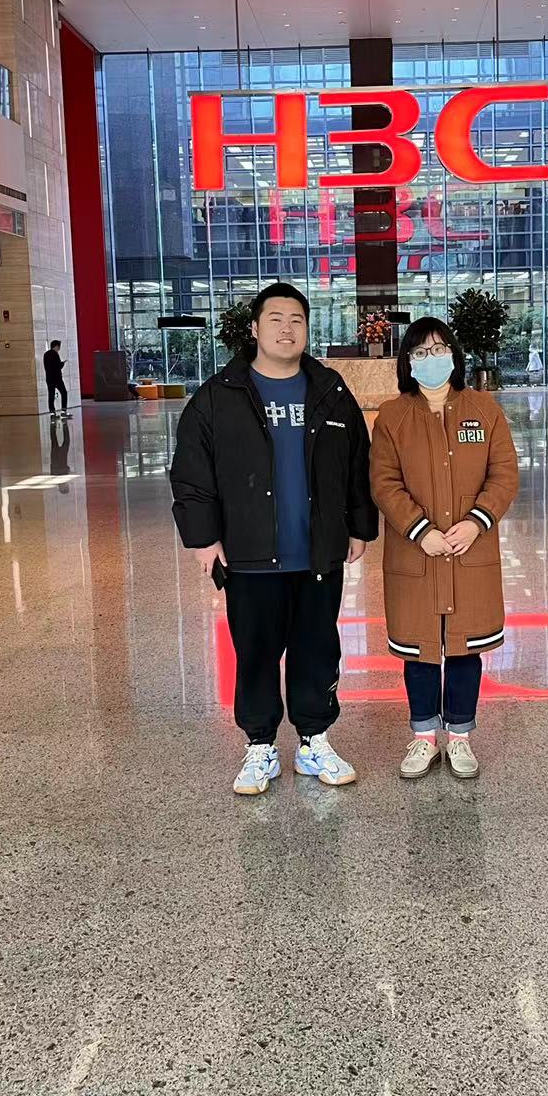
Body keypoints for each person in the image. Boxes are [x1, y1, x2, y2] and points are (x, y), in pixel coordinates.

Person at [170, 282, 379, 796]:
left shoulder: (329, 389)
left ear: (307, 330)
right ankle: (260, 745)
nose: (287, 329)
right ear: (255, 328)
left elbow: (357, 464)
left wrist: (360, 525)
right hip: (248, 554)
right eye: (276, 319)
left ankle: (313, 740)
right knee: (256, 653)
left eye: (297, 320)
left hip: (316, 553)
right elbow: (192, 474)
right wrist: (203, 539)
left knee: (317, 649)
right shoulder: (219, 396)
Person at [369, 317, 519, 781]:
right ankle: (423, 737)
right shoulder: (393, 416)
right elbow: (383, 482)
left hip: (470, 550)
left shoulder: (484, 410)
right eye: (420, 352)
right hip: (416, 553)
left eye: (438, 350)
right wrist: (420, 530)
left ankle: (459, 737)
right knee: (419, 649)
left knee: (464, 648)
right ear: (407, 363)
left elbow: (504, 473)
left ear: (453, 355)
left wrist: (476, 522)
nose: (430, 359)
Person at [44, 340, 70, 419]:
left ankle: (52, 414)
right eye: (59, 347)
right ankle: (63, 411)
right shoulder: (55, 354)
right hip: (57, 378)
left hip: (49, 378)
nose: (59, 348)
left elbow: (47, 366)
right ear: (56, 346)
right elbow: (58, 366)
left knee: (51, 395)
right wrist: (63, 363)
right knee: (64, 393)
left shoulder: (46, 354)